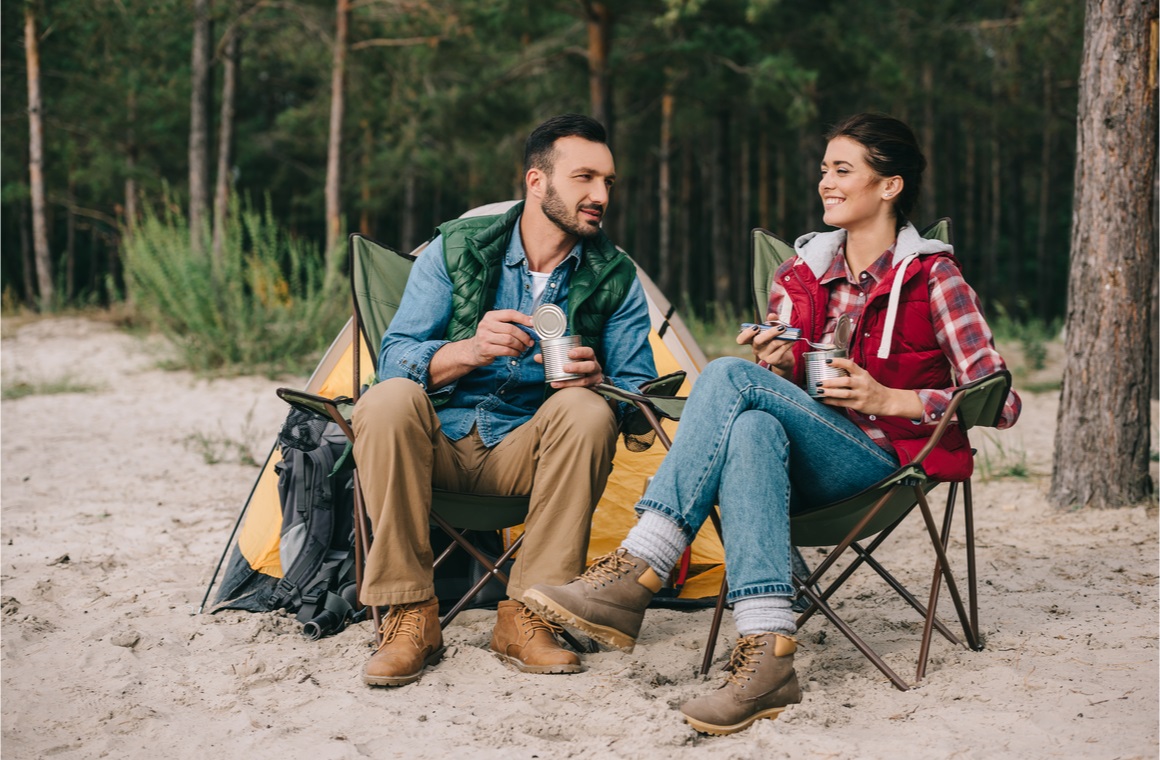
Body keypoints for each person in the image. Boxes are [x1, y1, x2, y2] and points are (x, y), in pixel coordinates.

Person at [524, 112, 1022, 735]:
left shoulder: (933, 278)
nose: (826, 184)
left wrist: (890, 397)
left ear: (889, 186)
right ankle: (768, 656)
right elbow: (780, 398)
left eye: (843, 170)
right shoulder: (801, 274)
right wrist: (781, 364)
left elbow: (999, 401)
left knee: (727, 379)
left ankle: (641, 567)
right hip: (801, 464)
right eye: (824, 171)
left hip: (888, 465)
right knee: (752, 426)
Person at [353, 114, 656, 687]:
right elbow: (392, 358)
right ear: (536, 181)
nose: (600, 196)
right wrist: (464, 351)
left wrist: (603, 384)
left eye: (609, 182)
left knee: (587, 412)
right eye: (584, 177)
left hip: (528, 453)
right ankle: (410, 613)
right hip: (436, 443)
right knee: (388, 399)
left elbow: (641, 399)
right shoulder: (458, 248)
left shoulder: (614, 276)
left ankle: (528, 616)